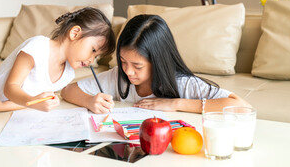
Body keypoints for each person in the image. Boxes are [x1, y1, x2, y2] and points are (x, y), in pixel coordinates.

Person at [61, 14, 250, 114]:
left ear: (158, 61)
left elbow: (241, 106)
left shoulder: (182, 83)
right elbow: (67, 90)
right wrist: (89, 101)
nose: (128, 71)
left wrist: (175, 104)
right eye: (123, 61)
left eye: (138, 65)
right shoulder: (118, 76)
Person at [0, 7, 115, 113]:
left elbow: (31, 102)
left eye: (96, 57)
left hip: (4, 110)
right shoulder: (37, 47)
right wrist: (31, 103)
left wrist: (1, 107)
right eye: (93, 50)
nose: (91, 60)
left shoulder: (67, 74)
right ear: (75, 33)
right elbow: (11, 88)